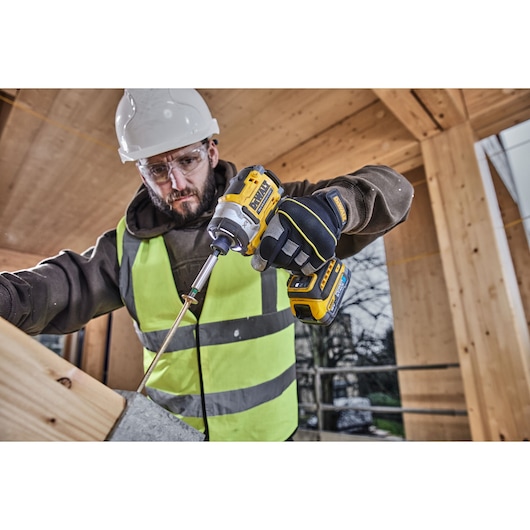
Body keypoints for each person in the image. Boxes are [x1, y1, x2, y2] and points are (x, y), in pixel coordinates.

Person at [0, 89, 414, 441]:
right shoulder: (123, 247)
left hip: (268, 440)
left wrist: (338, 207)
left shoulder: (278, 209)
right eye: (157, 169)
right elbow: (56, 287)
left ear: (211, 151)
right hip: (170, 441)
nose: (175, 183)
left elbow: (394, 190)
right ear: (140, 172)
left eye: (186, 161)